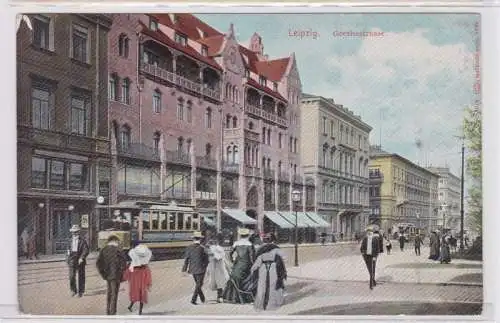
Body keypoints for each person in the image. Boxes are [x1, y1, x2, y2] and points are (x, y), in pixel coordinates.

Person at [250, 234, 287, 311]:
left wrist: (253, 270)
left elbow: (256, 262)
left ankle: (262, 304)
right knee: (273, 285)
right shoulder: (276, 249)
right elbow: (284, 258)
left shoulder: (260, 249)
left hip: (263, 268)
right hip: (273, 268)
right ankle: (272, 304)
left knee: (262, 285)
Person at [96, 235, 128, 315]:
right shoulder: (119, 250)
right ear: (115, 241)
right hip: (116, 275)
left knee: (109, 293)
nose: (118, 243)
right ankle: (113, 312)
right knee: (114, 294)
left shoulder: (103, 250)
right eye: (117, 241)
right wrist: (122, 271)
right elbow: (124, 264)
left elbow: (98, 263)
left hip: (107, 276)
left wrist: (103, 274)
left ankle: (108, 311)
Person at [222, 228, 255, 304]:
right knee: (248, 279)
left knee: (234, 277)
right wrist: (253, 265)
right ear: (247, 235)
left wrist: (233, 261)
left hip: (238, 264)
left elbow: (230, 254)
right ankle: (245, 298)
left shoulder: (236, 243)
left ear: (240, 235)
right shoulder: (249, 244)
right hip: (246, 264)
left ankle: (231, 297)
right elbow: (252, 257)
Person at [124, 243, 153, 315]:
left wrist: (126, 278)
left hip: (134, 284)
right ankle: (140, 312)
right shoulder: (145, 267)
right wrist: (148, 284)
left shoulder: (133, 265)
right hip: (142, 284)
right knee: (141, 297)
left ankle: (130, 306)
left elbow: (127, 274)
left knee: (135, 296)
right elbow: (148, 276)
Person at [182, 231, 209, 305]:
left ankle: (202, 298)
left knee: (198, 284)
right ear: (200, 239)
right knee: (199, 284)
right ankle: (193, 300)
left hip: (192, 269)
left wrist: (184, 270)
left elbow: (186, 259)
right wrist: (205, 266)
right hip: (201, 269)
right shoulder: (203, 248)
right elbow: (207, 260)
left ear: (193, 239)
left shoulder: (189, 248)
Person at [67, 225, 89, 297]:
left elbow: (86, 250)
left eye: (76, 232)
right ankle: (73, 290)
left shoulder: (83, 241)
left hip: (79, 258)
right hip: (72, 259)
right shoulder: (69, 240)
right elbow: (68, 249)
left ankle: (81, 292)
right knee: (71, 276)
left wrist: (82, 258)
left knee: (81, 276)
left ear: (78, 232)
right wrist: (68, 257)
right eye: (73, 232)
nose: (74, 234)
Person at [205, 237, 230, 303]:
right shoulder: (215, 248)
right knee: (219, 282)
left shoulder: (216, 249)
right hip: (216, 268)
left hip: (218, 268)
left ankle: (220, 296)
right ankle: (220, 296)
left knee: (219, 282)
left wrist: (213, 254)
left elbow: (219, 257)